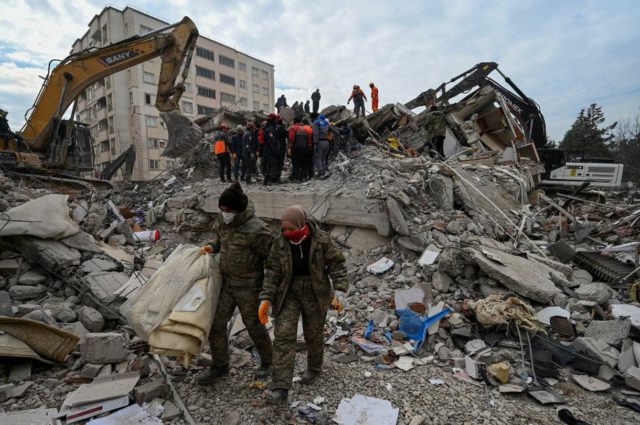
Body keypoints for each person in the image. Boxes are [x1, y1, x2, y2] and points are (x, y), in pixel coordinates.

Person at [258, 205, 349, 403]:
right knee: (283, 336)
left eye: (291, 228)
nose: (287, 232)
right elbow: (273, 272)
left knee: (313, 334)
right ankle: (281, 387)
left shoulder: (321, 240)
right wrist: (265, 298)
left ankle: (314, 368)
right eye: (284, 228)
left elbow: (337, 264)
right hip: (288, 292)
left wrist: (340, 290)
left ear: (301, 224)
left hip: (315, 292)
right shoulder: (279, 243)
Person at [198, 183, 274, 384]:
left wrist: (267, 293)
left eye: (228, 210)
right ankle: (220, 365)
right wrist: (211, 247)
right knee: (216, 324)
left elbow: (273, 262)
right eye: (221, 210)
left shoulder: (257, 230)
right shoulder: (223, 222)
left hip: (249, 286)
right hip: (227, 283)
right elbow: (220, 241)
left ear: (238, 209)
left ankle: (268, 361)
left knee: (254, 325)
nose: (224, 213)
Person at [288, 116, 313, 181]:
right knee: (303, 163)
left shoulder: (293, 128)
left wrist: (289, 148)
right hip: (305, 148)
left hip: (296, 149)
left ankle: (297, 178)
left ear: (294, 121)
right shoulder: (304, 128)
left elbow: (291, 139)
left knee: (296, 163)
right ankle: (304, 177)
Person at [258, 114, 280, 185]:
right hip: (270, 150)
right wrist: (275, 150)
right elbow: (272, 141)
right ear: (273, 119)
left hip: (266, 149)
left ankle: (266, 181)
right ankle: (269, 181)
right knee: (272, 165)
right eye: (275, 119)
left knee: (269, 165)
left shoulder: (267, 127)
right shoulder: (270, 128)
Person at [275, 115, 288, 182]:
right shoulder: (280, 127)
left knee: (274, 163)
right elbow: (287, 134)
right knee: (279, 163)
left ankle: (273, 177)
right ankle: (277, 178)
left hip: (273, 148)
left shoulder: (273, 127)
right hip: (280, 147)